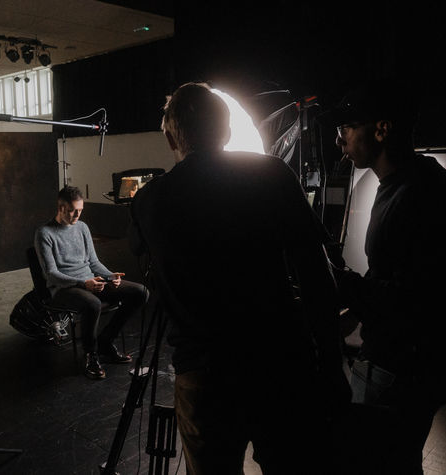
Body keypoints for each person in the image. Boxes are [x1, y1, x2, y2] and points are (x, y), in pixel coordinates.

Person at [129, 82, 351, 474]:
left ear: (170, 138)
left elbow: (149, 264)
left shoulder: (148, 200)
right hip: (280, 365)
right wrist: (332, 365)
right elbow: (317, 276)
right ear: (228, 130)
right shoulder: (271, 175)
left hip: (204, 377)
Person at [327, 79, 446, 473]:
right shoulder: (414, 182)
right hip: (422, 361)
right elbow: (397, 268)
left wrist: (341, 282)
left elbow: (418, 297)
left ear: (381, 129)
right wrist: (357, 311)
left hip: (402, 366)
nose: (340, 140)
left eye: (348, 128)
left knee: (374, 460)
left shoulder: (420, 195)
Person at [35, 186, 148, 380]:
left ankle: (105, 341)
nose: (77, 215)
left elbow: (93, 262)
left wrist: (110, 276)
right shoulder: (44, 233)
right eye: (73, 210)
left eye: (80, 210)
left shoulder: (82, 227)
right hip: (63, 288)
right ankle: (91, 354)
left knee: (141, 292)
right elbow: (51, 275)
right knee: (92, 303)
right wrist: (83, 283)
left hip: (90, 281)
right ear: (61, 208)